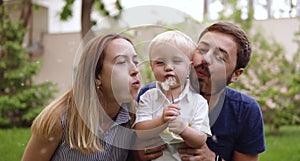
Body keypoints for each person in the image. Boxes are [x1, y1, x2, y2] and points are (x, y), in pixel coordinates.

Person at [136, 22, 266, 161]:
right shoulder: (151, 94)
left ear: (236, 74)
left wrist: (213, 159)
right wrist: (138, 154)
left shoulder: (245, 110)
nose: (205, 59)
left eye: (220, 57)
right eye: (202, 49)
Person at [22, 33, 142, 161]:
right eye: (121, 62)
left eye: (135, 62)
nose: (135, 69)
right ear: (97, 76)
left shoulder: (135, 117)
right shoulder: (59, 120)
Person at [134, 30, 211, 161]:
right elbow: (140, 131)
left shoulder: (198, 102)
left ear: (189, 67)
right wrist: (161, 121)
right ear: (152, 66)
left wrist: (184, 129)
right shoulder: (148, 97)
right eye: (160, 62)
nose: (168, 67)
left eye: (176, 61)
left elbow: (200, 139)